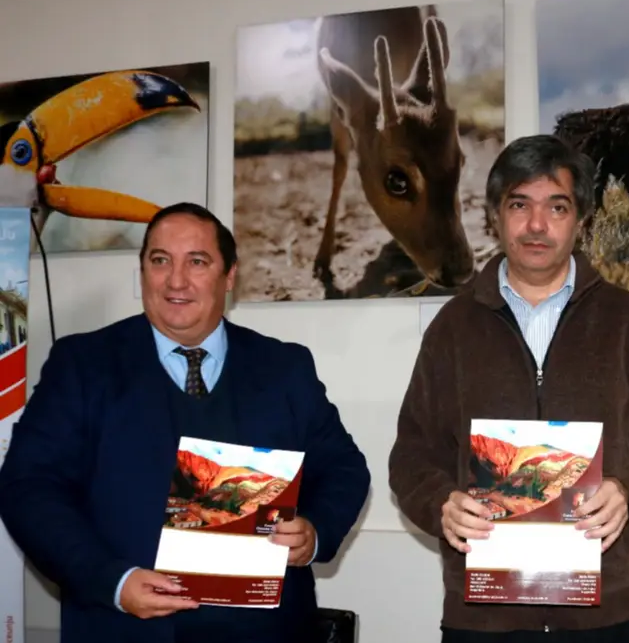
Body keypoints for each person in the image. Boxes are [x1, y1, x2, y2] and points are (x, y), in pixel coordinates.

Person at [0, 203, 371, 643]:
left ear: (229, 276)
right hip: (124, 629)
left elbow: (344, 469)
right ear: (143, 272)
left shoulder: (284, 368)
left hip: (265, 631)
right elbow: (28, 487)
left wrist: (315, 531)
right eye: (160, 260)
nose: (176, 281)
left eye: (197, 262)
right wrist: (111, 580)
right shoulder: (82, 365)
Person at [388, 134, 629, 642]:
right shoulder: (453, 328)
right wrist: (440, 503)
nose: (537, 225)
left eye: (557, 207)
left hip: (605, 619)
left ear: (582, 221)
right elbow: (411, 455)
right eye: (520, 205)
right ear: (495, 216)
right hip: (482, 620)